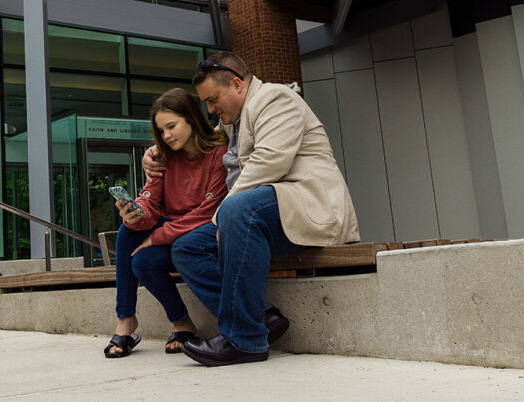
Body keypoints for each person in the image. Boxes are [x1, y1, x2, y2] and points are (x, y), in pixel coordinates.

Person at [143, 51, 360, 366]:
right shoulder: (232, 122)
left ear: (237, 84)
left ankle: (245, 339)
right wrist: (153, 154)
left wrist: (222, 216)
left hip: (309, 208)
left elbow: (269, 161)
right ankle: (261, 317)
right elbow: (199, 143)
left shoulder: (276, 100)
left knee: (238, 208)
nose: (210, 109)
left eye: (213, 99)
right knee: (188, 247)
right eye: (205, 103)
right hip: (265, 216)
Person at [104, 88, 230, 358]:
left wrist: (156, 236)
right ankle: (133, 318)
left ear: (192, 118)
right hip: (176, 234)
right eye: (161, 131)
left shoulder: (219, 151)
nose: (166, 136)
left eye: (171, 127)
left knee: (145, 258)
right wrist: (134, 214)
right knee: (132, 239)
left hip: (205, 235)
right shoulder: (162, 157)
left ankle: (182, 323)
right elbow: (151, 201)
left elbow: (209, 211)